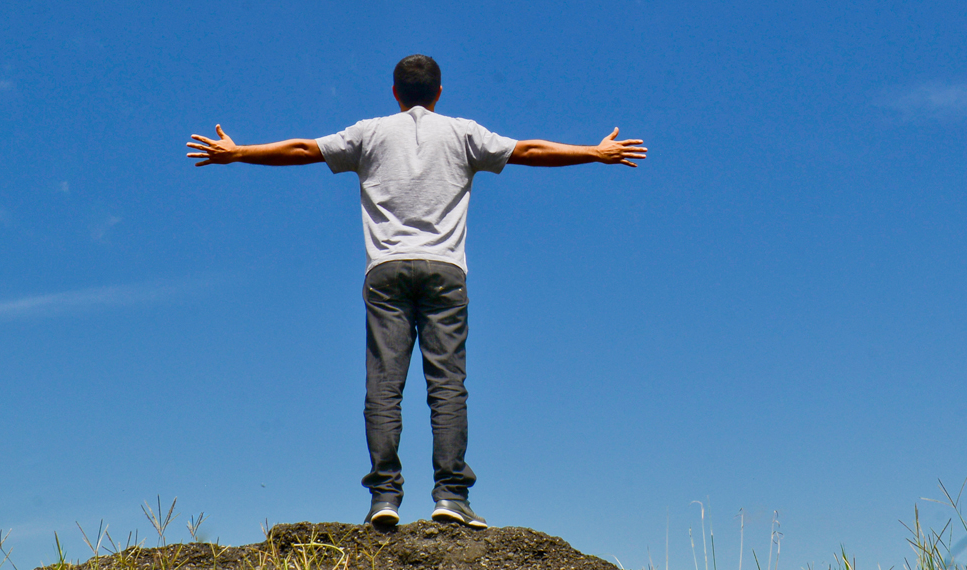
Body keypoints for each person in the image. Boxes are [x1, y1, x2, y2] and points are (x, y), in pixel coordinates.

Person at [187, 54, 645, 529]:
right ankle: (450, 495)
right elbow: (529, 151)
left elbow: (304, 149)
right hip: (445, 270)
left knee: (384, 384)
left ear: (394, 92)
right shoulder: (464, 132)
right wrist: (594, 151)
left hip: (385, 270)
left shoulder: (370, 132)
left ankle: (384, 496)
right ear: (439, 92)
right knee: (447, 384)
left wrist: (238, 152)